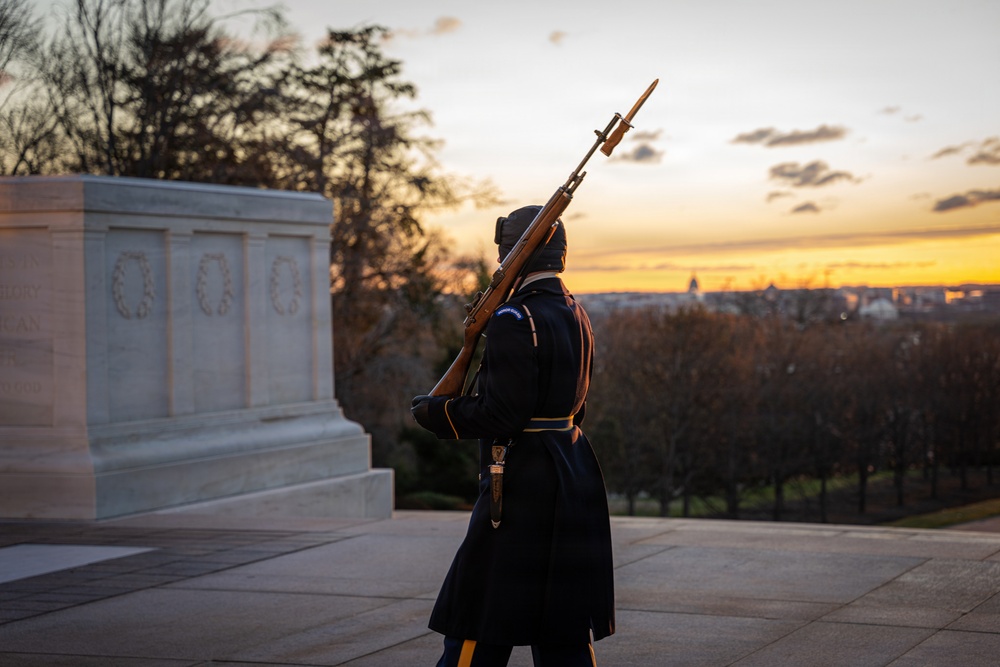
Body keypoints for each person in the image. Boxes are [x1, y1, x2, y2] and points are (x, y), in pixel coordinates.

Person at [411, 205, 615, 667]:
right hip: (572, 473)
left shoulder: (513, 317)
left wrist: (439, 413)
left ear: (513, 254)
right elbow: (575, 408)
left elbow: (501, 413)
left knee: (479, 617)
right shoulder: (575, 312)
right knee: (561, 623)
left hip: (518, 484)